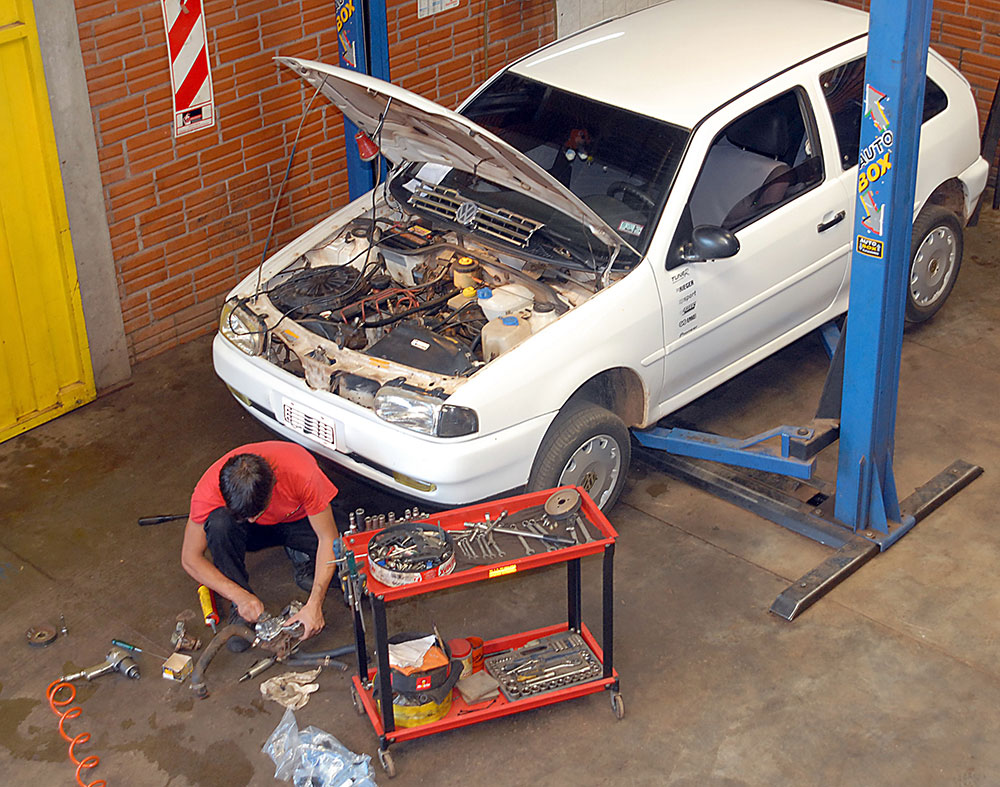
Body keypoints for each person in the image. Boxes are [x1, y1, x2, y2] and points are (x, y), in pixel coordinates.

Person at [181, 441, 339, 649]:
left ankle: (301, 556)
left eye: (255, 513)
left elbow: (328, 537)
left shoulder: (302, 472)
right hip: (254, 535)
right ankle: (241, 610)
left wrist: (315, 603)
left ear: (273, 485)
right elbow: (190, 558)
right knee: (219, 524)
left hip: (299, 519)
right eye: (246, 515)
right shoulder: (209, 489)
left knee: (347, 555)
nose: (252, 519)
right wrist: (238, 595)